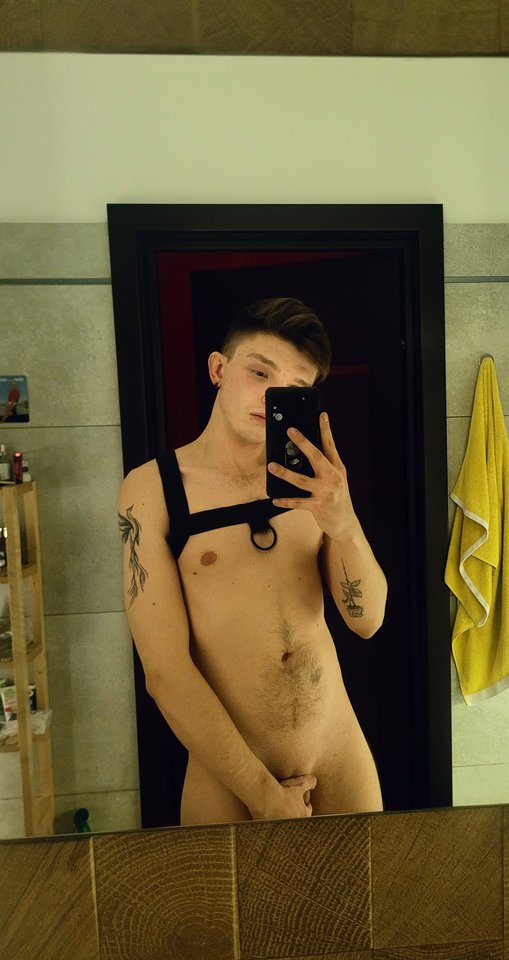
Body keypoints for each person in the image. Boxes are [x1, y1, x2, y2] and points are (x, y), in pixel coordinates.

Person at [118, 297, 387, 825]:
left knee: (365, 885)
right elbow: (165, 672)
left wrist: (343, 522)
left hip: (339, 756)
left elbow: (368, 620)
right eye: (259, 372)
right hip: (232, 779)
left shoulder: (316, 482)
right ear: (218, 369)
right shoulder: (153, 490)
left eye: (293, 386)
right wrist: (262, 794)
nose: (271, 395)